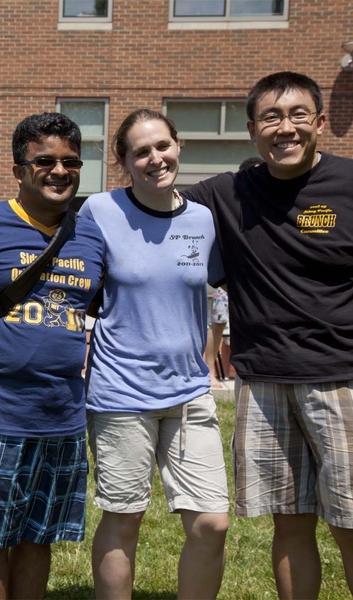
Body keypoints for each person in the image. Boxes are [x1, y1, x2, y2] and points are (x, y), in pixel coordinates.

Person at [186, 71, 353, 599]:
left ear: (321, 122)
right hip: (264, 384)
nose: (286, 128)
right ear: (253, 129)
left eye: (299, 115)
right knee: (289, 524)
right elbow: (153, 205)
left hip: (346, 379)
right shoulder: (226, 193)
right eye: (272, 117)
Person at [0, 112, 105, 599]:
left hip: (62, 414)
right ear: (19, 169)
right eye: (44, 160)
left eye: (70, 162)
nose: (59, 171)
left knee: (41, 536)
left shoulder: (92, 237)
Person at [81, 108, 230, 599]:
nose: (155, 158)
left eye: (162, 146)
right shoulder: (99, 211)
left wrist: (207, 364)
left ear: (178, 146)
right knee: (124, 518)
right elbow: (81, 291)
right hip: (121, 392)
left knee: (212, 522)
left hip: (188, 393)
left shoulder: (203, 220)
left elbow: (202, 295)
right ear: (125, 161)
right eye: (140, 151)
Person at [202, 156, 263, 388]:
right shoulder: (233, 208)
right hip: (227, 285)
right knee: (216, 326)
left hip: (255, 289)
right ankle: (210, 372)